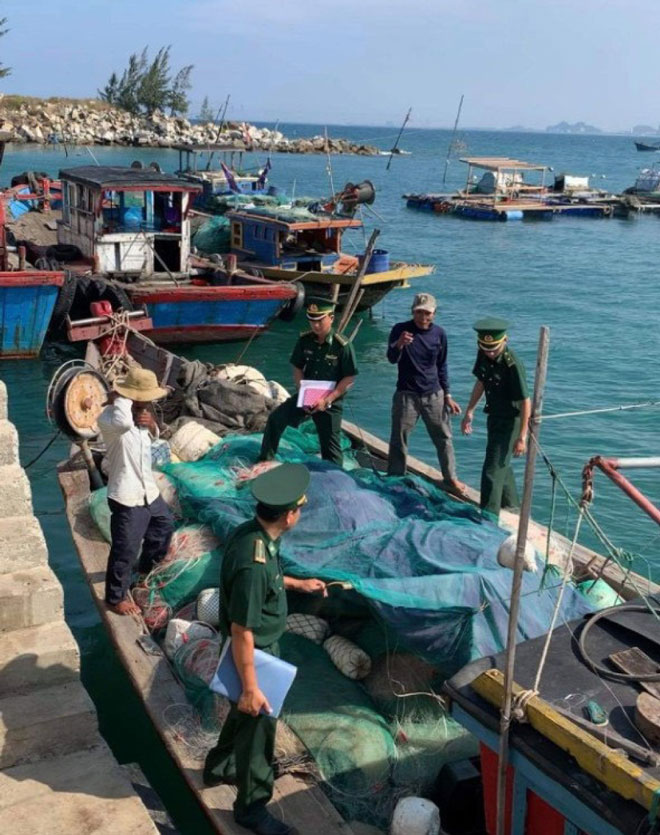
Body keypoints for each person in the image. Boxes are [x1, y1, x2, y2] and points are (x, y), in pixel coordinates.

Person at [203, 463, 326, 835]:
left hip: (257, 648)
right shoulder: (253, 564)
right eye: (299, 510)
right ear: (289, 516)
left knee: (244, 714)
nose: (299, 514)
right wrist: (253, 685)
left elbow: (268, 579)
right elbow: (242, 630)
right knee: (259, 725)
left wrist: (297, 584)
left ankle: (219, 766)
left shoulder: (253, 536)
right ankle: (252, 807)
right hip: (256, 652)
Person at [97, 365, 174, 615]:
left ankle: (144, 572)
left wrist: (151, 423)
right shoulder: (110, 417)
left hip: (148, 491)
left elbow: (154, 438)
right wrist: (120, 398)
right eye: (145, 398)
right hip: (126, 495)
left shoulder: (142, 415)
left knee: (163, 527)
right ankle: (115, 597)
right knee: (125, 547)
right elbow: (121, 423)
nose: (150, 402)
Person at [259, 297, 358, 467]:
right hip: (307, 395)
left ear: (331, 318)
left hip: (329, 401)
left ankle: (335, 477)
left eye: (320, 320)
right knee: (276, 419)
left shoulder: (343, 345)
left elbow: (349, 378)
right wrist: (302, 393)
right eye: (312, 320)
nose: (315, 325)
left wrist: (327, 400)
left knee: (330, 447)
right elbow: (297, 366)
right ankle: (265, 460)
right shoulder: (305, 340)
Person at [386, 292, 466, 494]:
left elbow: (442, 366)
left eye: (427, 313)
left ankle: (451, 479)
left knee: (444, 438)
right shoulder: (400, 330)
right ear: (413, 312)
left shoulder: (439, 334)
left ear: (434, 313)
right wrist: (399, 344)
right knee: (399, 439)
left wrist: (447, 395)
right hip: (407, 395)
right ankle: (395, 478)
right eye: (419, 312)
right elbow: (391, 358)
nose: (423, 317)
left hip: (434, 395)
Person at [460, 318, 531, 518]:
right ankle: (512, 507)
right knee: (502, 463)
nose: (489, 353)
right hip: (494, 416)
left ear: (505, 341)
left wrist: (522, 437)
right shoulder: (483, 355)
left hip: (511, 421)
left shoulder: (512, 364)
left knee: (492, 470)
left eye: (493, 349)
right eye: (485, 348)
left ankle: (488, 517)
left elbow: (526, 401)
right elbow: (481, 382)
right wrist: (470, 411)